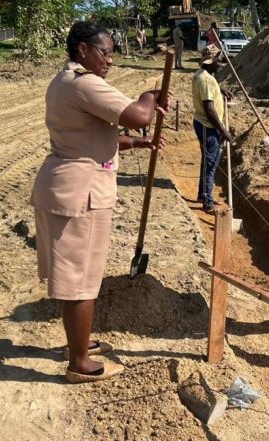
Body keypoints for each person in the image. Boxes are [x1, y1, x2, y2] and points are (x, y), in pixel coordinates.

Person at [30, 21, 168, 384]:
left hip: (64, 184)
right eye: (105, 52)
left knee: (76, 276)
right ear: (82, 50)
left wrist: (140, 144)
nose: (110, 60)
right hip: (81, 194)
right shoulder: (85, 83)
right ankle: (78, 363)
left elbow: (95, 136)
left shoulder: (63, 82)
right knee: (81, 281)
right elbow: (138, 115)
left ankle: (79, 344)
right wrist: (150, 97)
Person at [192, 45, 233, 212]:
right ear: (210, 62)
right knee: (211, 163)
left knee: (207, 160)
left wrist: (219, 89)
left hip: (203, 124)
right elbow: (209, 110)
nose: (220, 65)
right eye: (218, 62)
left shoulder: (203, 75)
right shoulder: (206, 80)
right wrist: (223, 130)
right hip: (207, 126)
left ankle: (203, 193)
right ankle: (207, 201)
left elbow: (209, 91)